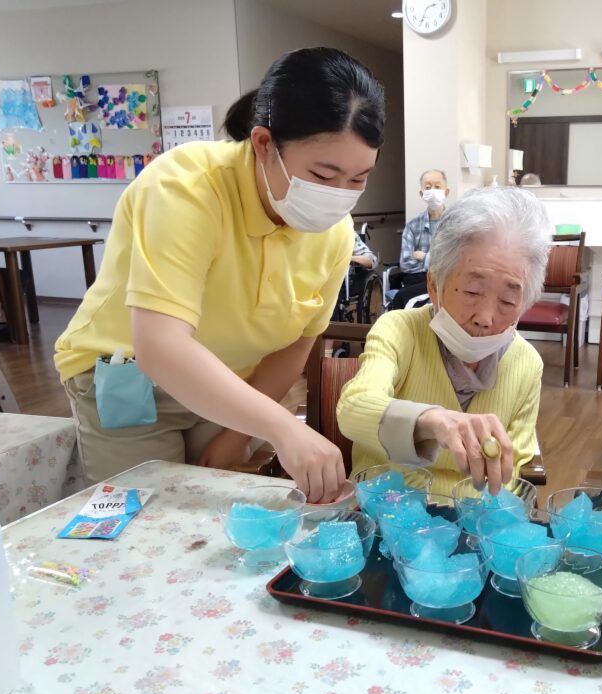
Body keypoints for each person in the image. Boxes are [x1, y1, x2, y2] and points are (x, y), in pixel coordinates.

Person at [53, 47, 385, 502]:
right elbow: (160, 346)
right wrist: (281, 426)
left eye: (358, 179)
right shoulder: (186, 187)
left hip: (230, 384)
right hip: (129, 377)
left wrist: (236, 431)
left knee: (214, 513)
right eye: (323, 175)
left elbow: (298, 341)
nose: (339, 197)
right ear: (264, 144)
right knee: (148, 517)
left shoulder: (334, 233)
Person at [337, 186, 550, 496]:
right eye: (473, 292)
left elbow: (510, 476)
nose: (486, 317)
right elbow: (354, 409)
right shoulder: (401, 330)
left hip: (472, 523)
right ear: (434, 285)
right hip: (383, 513)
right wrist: (432, 420)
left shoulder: (525, 363)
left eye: (507, 300)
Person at [390, 169, 449, 310]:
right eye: (428, 188)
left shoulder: (455, 224)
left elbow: (453, 262)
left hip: (445, 281)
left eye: (437, 186)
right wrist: (434, 262)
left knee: (403, 297)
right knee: (403, 296)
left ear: (446, 192)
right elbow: (406, 264)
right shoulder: (412, 226)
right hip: (416, 281)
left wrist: (423, 257)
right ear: (422, 194)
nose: (432, 191)